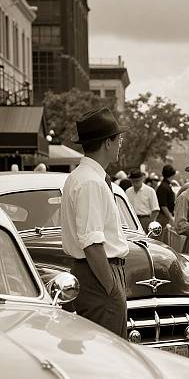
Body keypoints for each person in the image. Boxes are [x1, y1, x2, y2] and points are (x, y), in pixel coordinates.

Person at [61, 106, 129, 338]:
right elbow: (91, 243)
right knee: (110, 355)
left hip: (95, 274)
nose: (121, 143)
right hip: (98, 275)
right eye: (118, 139)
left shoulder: (83, 177)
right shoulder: (91, 182)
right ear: (107, 143)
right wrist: (111, 288)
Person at [156, 164, 177, 240]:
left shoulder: (165, 185)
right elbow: (163, 205)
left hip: (165, 216)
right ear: (172, 174)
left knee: (165, 238)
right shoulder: (164, 187)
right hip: (163, 217)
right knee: (162, 240)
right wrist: (171, 218)